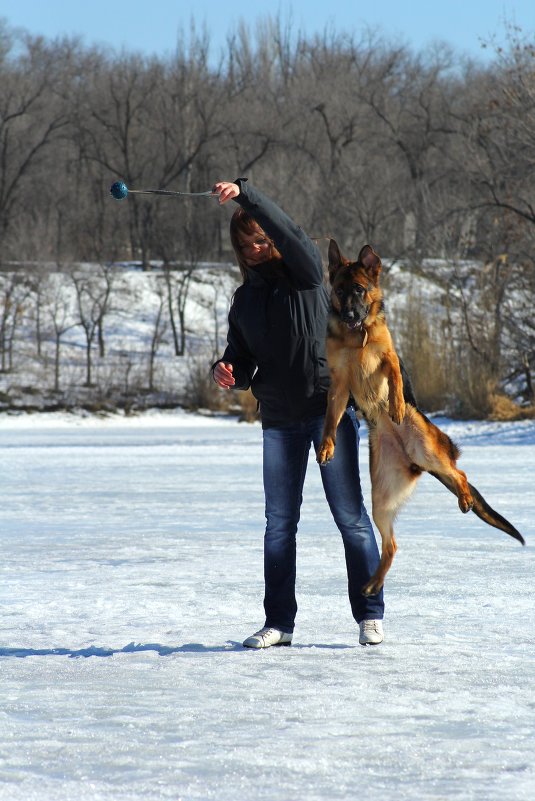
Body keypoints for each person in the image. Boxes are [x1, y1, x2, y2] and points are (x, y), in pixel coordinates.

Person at [211, 178, 384, 648]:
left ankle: (370, 613)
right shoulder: (245, 300)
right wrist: (228, 370)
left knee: (350, 517)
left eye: (261, 239)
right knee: (279, 524)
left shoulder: (306, 274)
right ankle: (278, 624)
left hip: (328, 411)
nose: (254, 248)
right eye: (245, 244)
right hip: (280, 421)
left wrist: (246, 195)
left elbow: (290, 233)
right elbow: (241, 357)